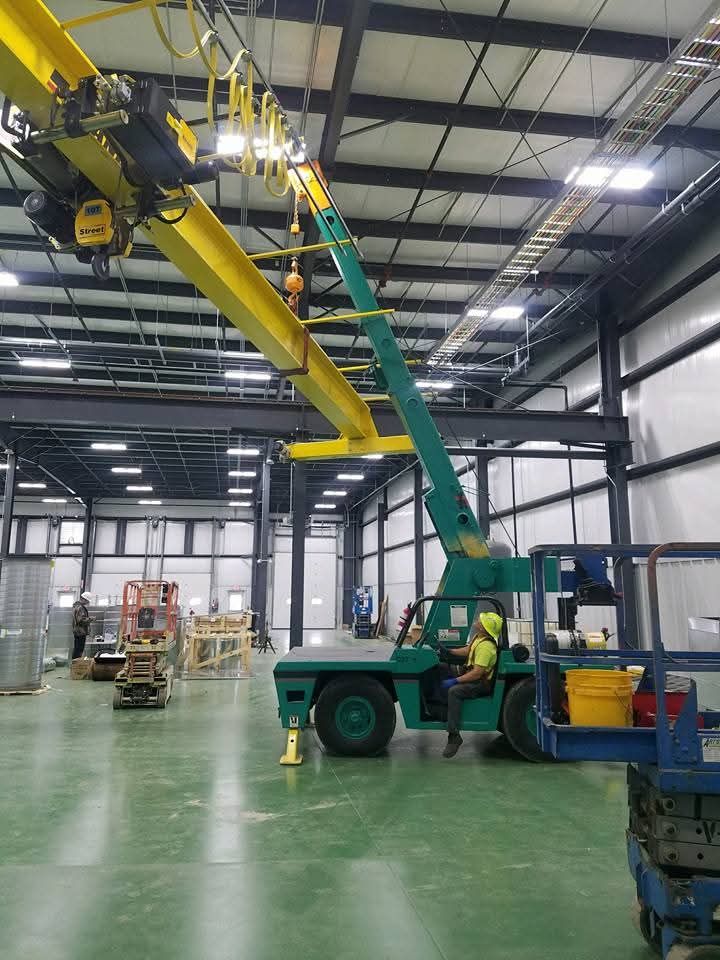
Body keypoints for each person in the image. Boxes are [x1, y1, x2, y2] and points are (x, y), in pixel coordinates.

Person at [435, 610, 504, 758]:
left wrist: (455, 680)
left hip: (480, 683)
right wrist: (449, 652)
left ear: (484, 627)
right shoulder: (479, 637)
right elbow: (468, 650)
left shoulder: (486, 647)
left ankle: (454, 736)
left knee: (454, 691)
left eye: (480, 621)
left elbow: (477, 673)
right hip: (471, 675)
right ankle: (439, 707)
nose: (477, 621)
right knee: (440, 668)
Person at [71, 592, 94, 660]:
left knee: (77, 649)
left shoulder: (76, 606)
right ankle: (76, 665)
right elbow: (80, 620)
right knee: (79, 650)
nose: (87, 603)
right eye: (87, 601)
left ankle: (75, 664)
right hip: (80, 631)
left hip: (77, 631)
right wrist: (90, 619)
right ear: (83, 599)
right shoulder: (80, 608)